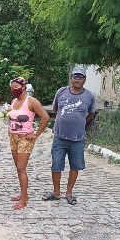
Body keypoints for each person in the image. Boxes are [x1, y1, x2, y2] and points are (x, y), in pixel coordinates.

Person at [43, 65, 96, 205]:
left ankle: (69, 193)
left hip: (78, 138)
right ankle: (56, 192)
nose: (77, 79)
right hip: (59, 136)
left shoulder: (89, 96)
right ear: (71, 78)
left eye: (80, 77)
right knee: (56, 165)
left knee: (75, 166)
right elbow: (55, 109)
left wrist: (81, 122)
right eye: (75, 76)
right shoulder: (61, 92)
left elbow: (91, 113)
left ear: (84, 79)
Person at [7, 77, 50, 210]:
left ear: (23, 87)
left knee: (21, 167)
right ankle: (23, 193)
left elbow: (45, 117)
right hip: (13, 137)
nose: (13, 90)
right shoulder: (14, 101)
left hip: (25, 138)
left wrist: (36, 134)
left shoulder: (31, 101)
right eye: (12, 87)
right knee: (18, 167)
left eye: (16, 87)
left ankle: (24, 199)